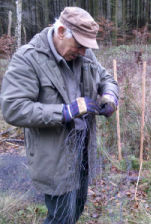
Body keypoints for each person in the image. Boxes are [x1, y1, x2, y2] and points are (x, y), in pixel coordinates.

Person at [0, 7, 119, 223]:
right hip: (54, 160)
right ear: (62, 31)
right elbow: (13, 108)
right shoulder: (28, 59)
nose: (83, 52)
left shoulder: (84, 54)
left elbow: (106, 78)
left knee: (75, 211)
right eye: (80, 45)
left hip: (83, 154)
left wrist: (110, 96)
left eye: (86, 47)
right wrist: (65, 112)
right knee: (61, 218)